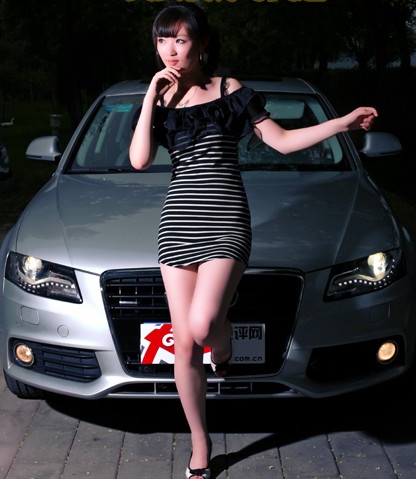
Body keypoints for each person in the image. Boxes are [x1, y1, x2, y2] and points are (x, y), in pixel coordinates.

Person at [129, 4, 377, 478]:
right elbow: (140, 159)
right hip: (177, 223)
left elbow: (281, 141)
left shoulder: (228, 90)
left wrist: (341, 124)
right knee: (184, 346)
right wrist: (149, 98)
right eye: (162, 40)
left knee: (203, 326)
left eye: (180, 39)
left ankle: (222, 348)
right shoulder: (159, 100)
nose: (170, 51)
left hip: (226, 219)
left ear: (202, 43)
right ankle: (200, 444)